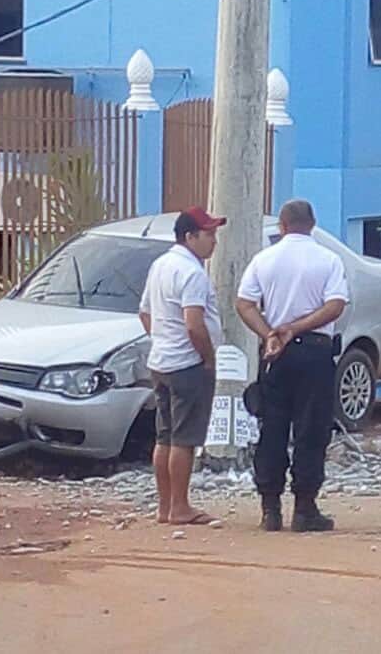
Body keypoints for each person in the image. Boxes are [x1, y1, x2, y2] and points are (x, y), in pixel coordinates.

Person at [236, 199, 349, 532]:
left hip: (275, 355)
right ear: (312, 225)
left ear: (282, 226)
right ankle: (304, 508)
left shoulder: (264, 259)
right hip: (315, 353)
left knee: (271, 428)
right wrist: (296, 329)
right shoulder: (328, 259)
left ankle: (270, 509)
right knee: (311, 430)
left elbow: (244, 303)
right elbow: (335, 306)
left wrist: (269, 333)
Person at [139, 206, 226, 526]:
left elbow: (145, 313)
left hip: (161, 361)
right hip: (187, 364)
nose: (214, 241)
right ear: (190, 237)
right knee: (184, 439)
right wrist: (207, 357)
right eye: (209, 234)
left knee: (164, 436)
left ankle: (165, 506)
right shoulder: (192, 273)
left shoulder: (160, 265)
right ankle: (180, 506)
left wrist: (163, 339)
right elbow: (194, 324)